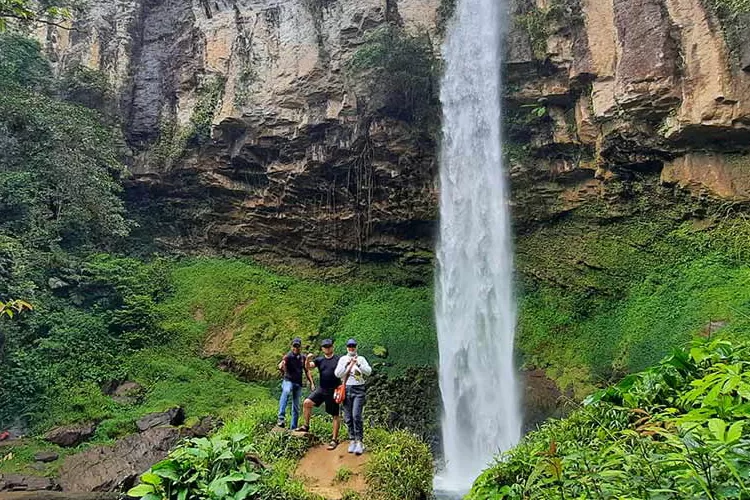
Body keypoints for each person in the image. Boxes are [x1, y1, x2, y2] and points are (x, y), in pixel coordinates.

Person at [294, 338, 342, 449]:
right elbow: (307, 367)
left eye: (329, 346)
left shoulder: (338, 359)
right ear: (322, 349)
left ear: (332, 347)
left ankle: (334, 439)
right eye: (325, 347)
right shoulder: (320, 360)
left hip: (334, 390)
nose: (327, 348)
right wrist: (307, 359)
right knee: (307, 403)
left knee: (335, 415)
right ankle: (306, 426)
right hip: (322, 389)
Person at [334, 338, 372, 455]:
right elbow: (337, 374)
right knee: (348, 417)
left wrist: (358, 364)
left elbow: (368, 372)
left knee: (356, 416)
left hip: (359, 389)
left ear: (356, 347)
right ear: (347, 347)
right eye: (350, 346)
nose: (351, 348)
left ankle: (359, 441)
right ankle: (352, 440)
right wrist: (347, 364)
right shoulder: (343, 359)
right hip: (346, 389)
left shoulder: (361, 359)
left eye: (353, 346)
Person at [277, 337, 313, 429]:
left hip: (298, 383)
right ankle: (281, 418)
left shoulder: (302, 357)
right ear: (291, 346)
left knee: (296, 405)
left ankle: (293, 427)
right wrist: (281, 366)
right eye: (294, 346)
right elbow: (282, 364)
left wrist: (312, 382)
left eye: (297, 346)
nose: (296, 348)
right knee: (286, 391)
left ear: (300, 347)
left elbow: (307, 370)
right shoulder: (288, 356)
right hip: (288, 380)